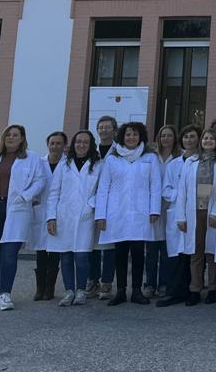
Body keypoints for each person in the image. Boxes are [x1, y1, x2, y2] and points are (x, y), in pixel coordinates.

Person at [0, 124, 45, 311]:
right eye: (8, 135)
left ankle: (6, 293)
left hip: (17, 208)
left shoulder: (31, 158)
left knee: (9, 251)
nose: (11, 138)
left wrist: (25, 197)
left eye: (16, 135)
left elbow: (40, 181)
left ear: (22, 138)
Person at [94, 122, 161, 307]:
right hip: (117, 212)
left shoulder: (150, 158)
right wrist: (101, 214)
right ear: (122, 137)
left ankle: (137, 291)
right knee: (120, 253)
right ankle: (121, 290)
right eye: (128, 134)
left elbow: (155, 185)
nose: (131, 138)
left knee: (139, 253)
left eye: (135, 134)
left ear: (141, 137)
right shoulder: (112, 159)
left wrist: (154, 209)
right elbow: (103, 188)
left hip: (141, 212)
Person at [45, 129, 100, 306]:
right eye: (78, 142)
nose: (81, 145)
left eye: (85, 142)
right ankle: (69, 290)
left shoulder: (98, 164)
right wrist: (51, 217)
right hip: (64, 215)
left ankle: (81, 290)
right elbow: (54, 192)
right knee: (66, 255)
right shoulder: (64, 164)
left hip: (85, 216)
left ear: (91, 145)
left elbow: (103, 191)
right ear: (73, 144)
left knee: (82, 256)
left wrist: (91, 206)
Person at [174, 127, 216, 305]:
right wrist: (180, 216)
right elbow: (182, 191)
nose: (208, 141)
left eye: (212, 139)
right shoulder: (191, 162)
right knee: (196, 253)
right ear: (201, 142)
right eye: (205, 139)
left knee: (212, 253)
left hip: (212, 212)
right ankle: (195, 289)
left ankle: (213, 288)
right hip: (193, 211)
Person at [158, 125, 197, 307]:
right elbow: (166, 189)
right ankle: (174, 292)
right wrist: (180, 197)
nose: (189, 140)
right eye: (186, 137)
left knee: (191, 254)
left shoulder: (201, 162)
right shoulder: (174, 164)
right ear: (181, 140)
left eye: (193, 136)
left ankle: (191, 290)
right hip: (176, 213)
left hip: (194, 213)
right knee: (176, 254)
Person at [26, 131, 65, 302]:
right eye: (52, 143)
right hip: (40, 211)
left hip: (59, 212)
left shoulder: (67, 163)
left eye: (58, 143)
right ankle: (39, 288)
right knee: (41, 251)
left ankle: (50, 288)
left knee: (55, 251)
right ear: (47, 145)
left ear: (64, 146)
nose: (55, 146)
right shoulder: (38, 163)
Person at [87, 115, 118, 299]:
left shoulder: (119, 151)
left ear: (114, 130)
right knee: (92, 244)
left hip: (112, 203)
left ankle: (107, 282)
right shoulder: (92, 151)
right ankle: (92, 280)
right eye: (101, 127)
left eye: (108, 127)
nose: (104, 130)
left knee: (109, 244)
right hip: (93, 201)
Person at [146, 124, 178, 299]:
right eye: (163, 135)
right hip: (153, 206)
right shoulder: (151, 157)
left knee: (166, 248)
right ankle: (149, 284)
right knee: (151, 249)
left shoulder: (178, 158)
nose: (166, 139)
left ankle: (164, 283)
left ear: (175, 139)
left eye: (169, 136)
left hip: (170, 208)